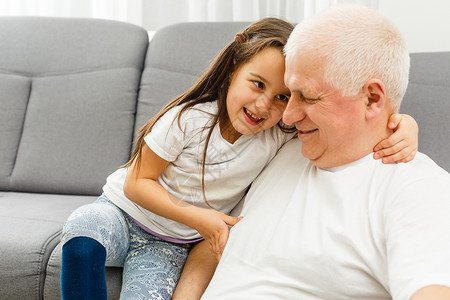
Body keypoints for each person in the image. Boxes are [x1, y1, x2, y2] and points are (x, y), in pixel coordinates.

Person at [60, 17, 418, 300]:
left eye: (282, 97)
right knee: (83, 231)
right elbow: (138, 183)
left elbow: (343, 125)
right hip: (124, 213)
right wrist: (202, 219)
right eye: (258, 84)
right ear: (233, 69)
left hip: (170, 246)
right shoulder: (187, 119)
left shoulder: (277, 134)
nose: (264, 105)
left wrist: (403, 123)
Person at [192, 5, 450, 300]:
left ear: (372, 98)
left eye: (308, 97)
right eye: (288, 95)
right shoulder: (278, 146)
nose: (287, 116)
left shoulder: (417, 187)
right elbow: (214, 243)